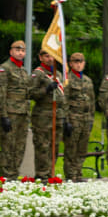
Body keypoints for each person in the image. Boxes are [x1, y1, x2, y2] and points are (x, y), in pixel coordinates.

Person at [0, 40, 34, 178]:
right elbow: (0, 93)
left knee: (20, 146)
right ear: (11, 51)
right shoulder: (4, 68)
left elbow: (27, 92)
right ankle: (6, 177)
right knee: (8, 146)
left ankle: (14, 175)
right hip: (10, 113)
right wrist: (3, 115)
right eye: (17, 50)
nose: (20, 53)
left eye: (22, 51)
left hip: (23, 113)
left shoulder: (23, 71)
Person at [29, 51, 64, 179]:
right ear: (41, 57)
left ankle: (50, 173)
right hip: (42, 115)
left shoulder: (58, 74)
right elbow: (30, 93)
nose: (50, 59)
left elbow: (62, 96)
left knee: (55, 146)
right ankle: (42, 175)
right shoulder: (38, 73)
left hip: (57, 115)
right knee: (42, 146)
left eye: (52, 56)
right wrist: (46, 89)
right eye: (47, 56)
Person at [61, 52, 95, 181]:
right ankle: (70, 175)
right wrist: (66, 120)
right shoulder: (67, 80)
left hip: (86, 118)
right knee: (71, 147)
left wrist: (91, 118)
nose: (79, 64)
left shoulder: (87, 80)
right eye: (76, 62)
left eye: (81, 62)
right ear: (70, 64)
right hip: (73, 117)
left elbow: (92, 101)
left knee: (82, 147)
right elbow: (64, 101)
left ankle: (78, 172)